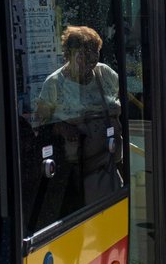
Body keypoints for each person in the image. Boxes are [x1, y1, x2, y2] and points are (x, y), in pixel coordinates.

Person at [35, 26, 123, 206]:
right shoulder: (54, 84)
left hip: (108, 163)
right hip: (74, 171)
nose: (89, 62)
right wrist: (60, 126)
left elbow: (119, 102)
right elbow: (41, 124)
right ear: (69, 55)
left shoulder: (105, 73)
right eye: (82, 56)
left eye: (94, 55)